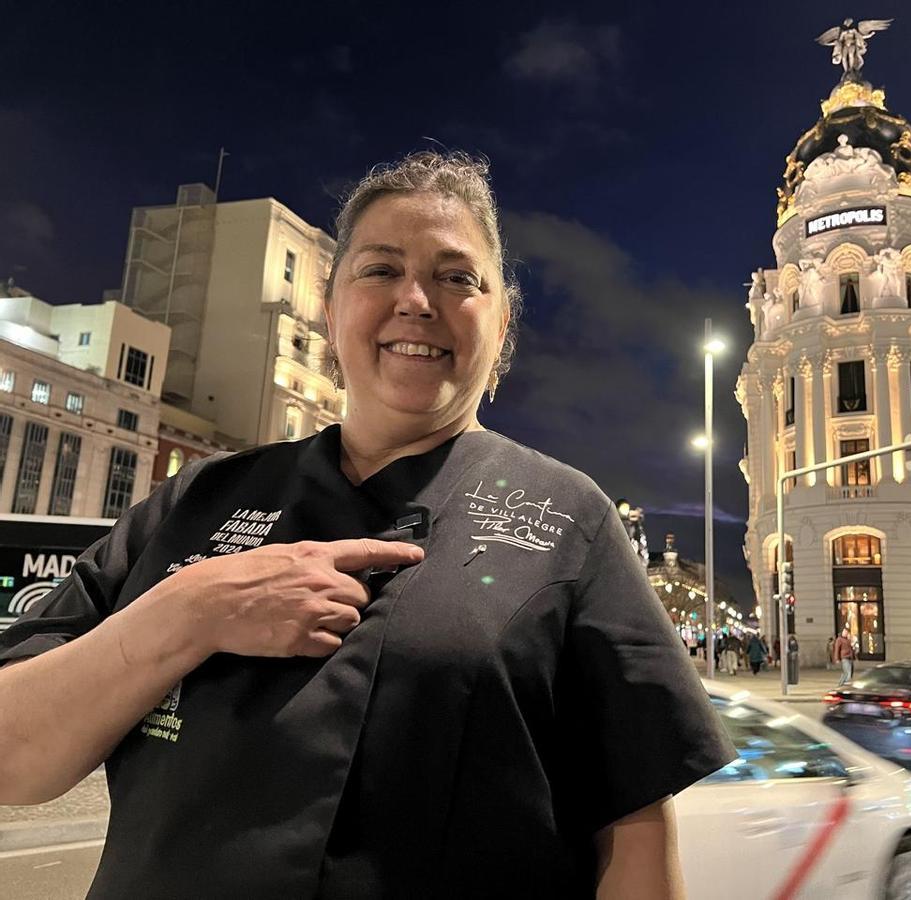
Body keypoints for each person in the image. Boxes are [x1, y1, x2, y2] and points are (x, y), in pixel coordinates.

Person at [0, 152, 737, 898]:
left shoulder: (572, 522)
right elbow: (12, 757)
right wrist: (191, 613)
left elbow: (635, 836)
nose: (416, 300)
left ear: (502, 317)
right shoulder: (197, 499)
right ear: (330, 305)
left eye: (457, 277)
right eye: (380, 269)